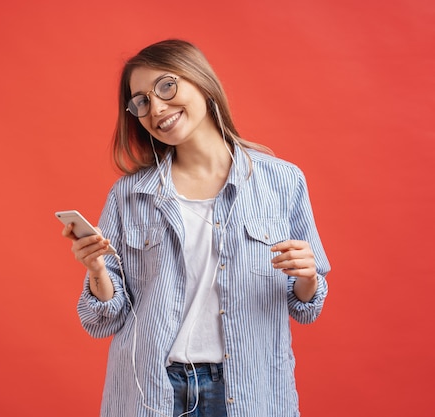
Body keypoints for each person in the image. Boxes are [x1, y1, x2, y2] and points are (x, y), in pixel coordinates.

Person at [61, 39, 330, 417]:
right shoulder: (129, 196)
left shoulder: (282, 182)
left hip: (249, 389)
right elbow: (105, 319)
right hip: (152, 392)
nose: (156, 107)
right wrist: (97, 271)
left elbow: (305, 307)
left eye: (166, 86)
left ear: (202, 82)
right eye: (141, 101)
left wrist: (307, 277)